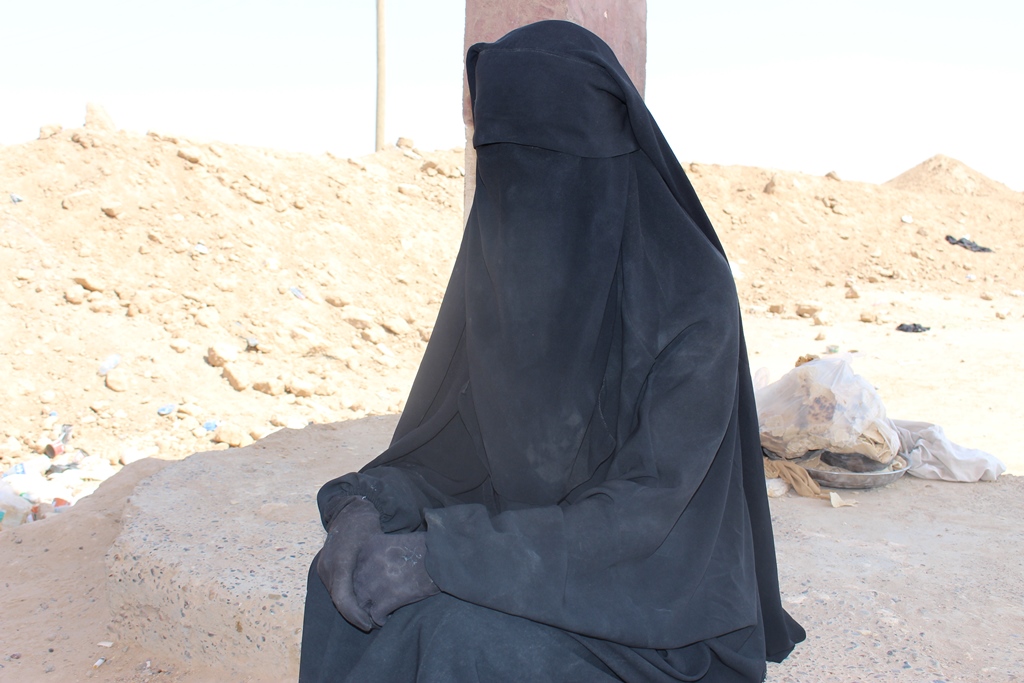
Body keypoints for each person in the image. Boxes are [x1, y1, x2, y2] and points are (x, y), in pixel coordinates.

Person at [299, 19, 805, 682]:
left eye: (547, 164)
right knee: (345, 584)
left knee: (466, 639)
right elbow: (451, 453)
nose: (525, 194)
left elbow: (648, 511)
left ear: (610, 153)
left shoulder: (689, 291)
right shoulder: (503, 272)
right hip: (526, 553)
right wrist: (363, 506)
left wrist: (447, 558)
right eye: (503, 165)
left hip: (659, 602)